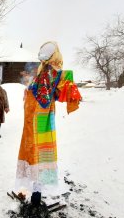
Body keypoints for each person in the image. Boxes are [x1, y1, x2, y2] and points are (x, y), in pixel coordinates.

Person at [15, 41, 82, 206]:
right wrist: (30, 88)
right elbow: (46, 92)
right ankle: (35, 191)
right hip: (36, 117)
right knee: (36, 151)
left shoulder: (52, 71)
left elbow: (47, 96)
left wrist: (33, 90)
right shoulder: (45, 70)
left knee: (37, 151)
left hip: (40, 117)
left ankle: (36, 194)